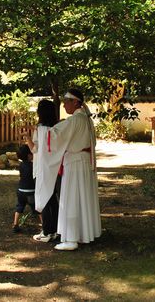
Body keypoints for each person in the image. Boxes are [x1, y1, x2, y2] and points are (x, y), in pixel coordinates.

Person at [48, 88, 101, 251]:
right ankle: (84, 234)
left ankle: (71, 238)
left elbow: (55, 135)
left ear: (76, 102)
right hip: (83, 162)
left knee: (71, 198)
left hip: (75, 163)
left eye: (66, 101)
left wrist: (42, 133)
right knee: (82, 197)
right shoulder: (85, 119)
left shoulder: (75, 120)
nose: (64, 105)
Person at [26, 99, 60, 243]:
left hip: (40, 168)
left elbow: (35, 149)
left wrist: (27, 138)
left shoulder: (39, 129)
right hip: (54, 168)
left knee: (43, 199)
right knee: (52, 199)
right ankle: (56, 230)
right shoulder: (57, 128)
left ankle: (47, 231)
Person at [12, 144, 38, 233]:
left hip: (21, 191)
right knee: (37, 209)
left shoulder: (20, 165)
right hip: (31, 191)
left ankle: (15, 224)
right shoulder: (33, 165)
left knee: (19, 207)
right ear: (29, 155)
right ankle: (45, 226)